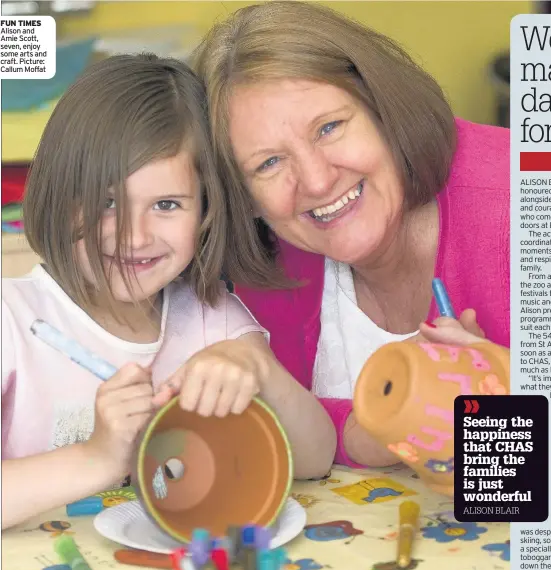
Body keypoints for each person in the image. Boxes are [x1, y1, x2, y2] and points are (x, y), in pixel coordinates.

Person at [1, 54, 336, 529]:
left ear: (206, 211)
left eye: (166, 204)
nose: (133, 236)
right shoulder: (12, 321)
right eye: (107, 202)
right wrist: (99, 458)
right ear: (59, 193)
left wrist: (259, 369)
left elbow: (315, 459)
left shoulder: (212, 320)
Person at [192, 1, 510, 470]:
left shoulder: (520, 203)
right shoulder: (274, 254)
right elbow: (277, 428)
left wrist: (512, 407)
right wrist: (364, 433)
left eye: (329, 127)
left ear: (383, 108)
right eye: (269, 163)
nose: (317, 181)